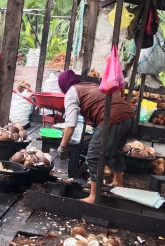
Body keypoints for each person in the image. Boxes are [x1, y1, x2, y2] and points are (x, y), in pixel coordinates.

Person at [56, 70, 135, 204]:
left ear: (63, 85)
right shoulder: (89, 85)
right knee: (116, 150)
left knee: (94, 155)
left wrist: (62, 146)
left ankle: (93, 196)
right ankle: (118, 182)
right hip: (129, 115)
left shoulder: (71, 93)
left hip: (112, 117)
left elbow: (70, 124)